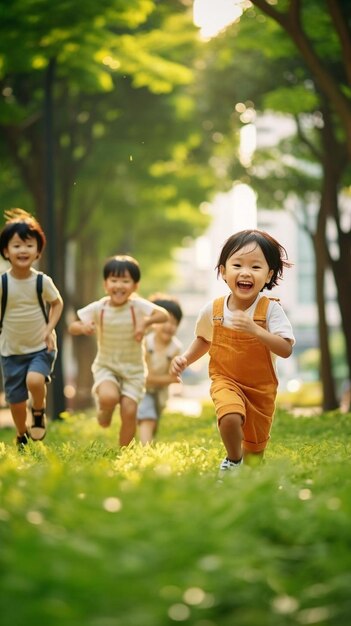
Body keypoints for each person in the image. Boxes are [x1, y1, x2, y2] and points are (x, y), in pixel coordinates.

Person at [171, 229, 295, 474]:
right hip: (225, 380)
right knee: (229, 416)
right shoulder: (214, 309)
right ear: (223, 271)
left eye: (256, 267)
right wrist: (185, 359)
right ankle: (232, 460)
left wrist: (257, 331)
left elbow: (286, 349)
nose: (246, 272)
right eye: (237, 264)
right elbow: (204, 340)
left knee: (254, 459)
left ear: (269, 274)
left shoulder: (270, 311)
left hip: (260, 390)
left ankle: (246, 467)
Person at [68, 255, 170, 447]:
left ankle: (124, 451)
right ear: (105, 284)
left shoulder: (137, 306)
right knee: (109, 397)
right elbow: (73, 327)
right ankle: (104, 411)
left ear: (135, 286)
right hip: (107, 366)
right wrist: (83, 328)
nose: (119, 285)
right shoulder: (100, 307)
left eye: (125, 281)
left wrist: (145, 322)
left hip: (134, 371)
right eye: (114, 280)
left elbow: (163, 315)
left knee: (129, 411)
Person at [0, 209, 64, 448]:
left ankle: (38, 411)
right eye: (16, 246)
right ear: (6, 251)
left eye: (29, 245)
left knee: (35, 381)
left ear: (38, 250)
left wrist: (49, 329)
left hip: (41, 346)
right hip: (11, 350)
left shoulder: (41, 281)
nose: (23, 250)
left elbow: (57, 304)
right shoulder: (3, 283)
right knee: (15, 403)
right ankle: (21, 434)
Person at [137, 294, 183, 445]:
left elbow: (174, 376)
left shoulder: (175, 348)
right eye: (166, 321)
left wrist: (168, 379)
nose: (170, 326)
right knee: (147, 417)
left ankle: (147, 440)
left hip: (161, 392)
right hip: (142, 389)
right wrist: (168, 379)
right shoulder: (146, 343)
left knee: (153, 419)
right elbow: (146, 377)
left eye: (175, 323)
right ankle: (145, 450)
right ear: (154, 323)